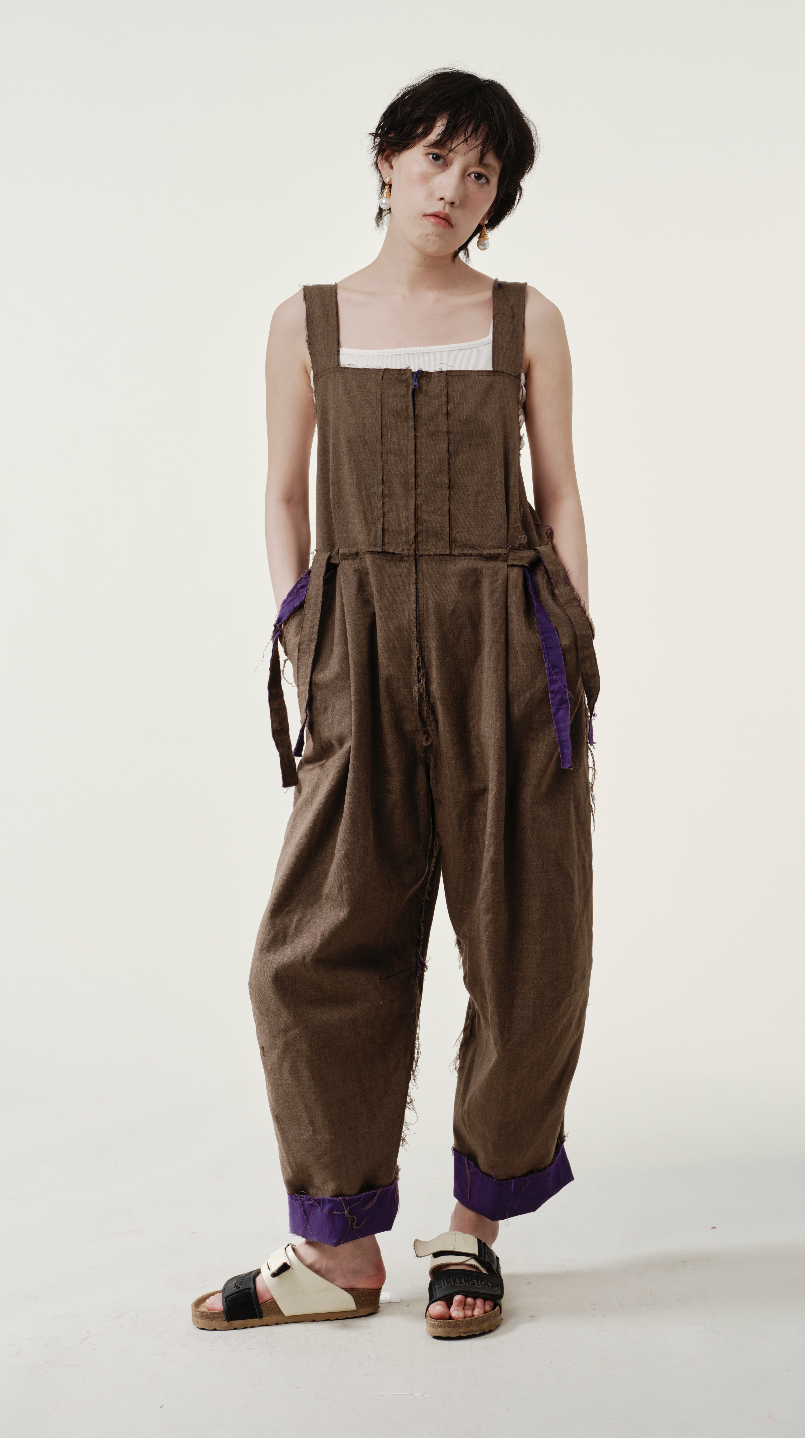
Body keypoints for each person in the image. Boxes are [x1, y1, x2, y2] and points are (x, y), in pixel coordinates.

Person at [191, 67, 599, 1340]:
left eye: (482, 173)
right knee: (310, 951)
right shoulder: (306, 321)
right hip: (354, 647)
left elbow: (560, 494)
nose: (454, 188)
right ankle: (339, 1247)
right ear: (386, 161)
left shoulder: (525, 319)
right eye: (435, 158)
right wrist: (303, 631)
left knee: (527, 944)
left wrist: (568, 649)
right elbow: (281, 493)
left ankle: (472, 1229)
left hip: (507, 649)